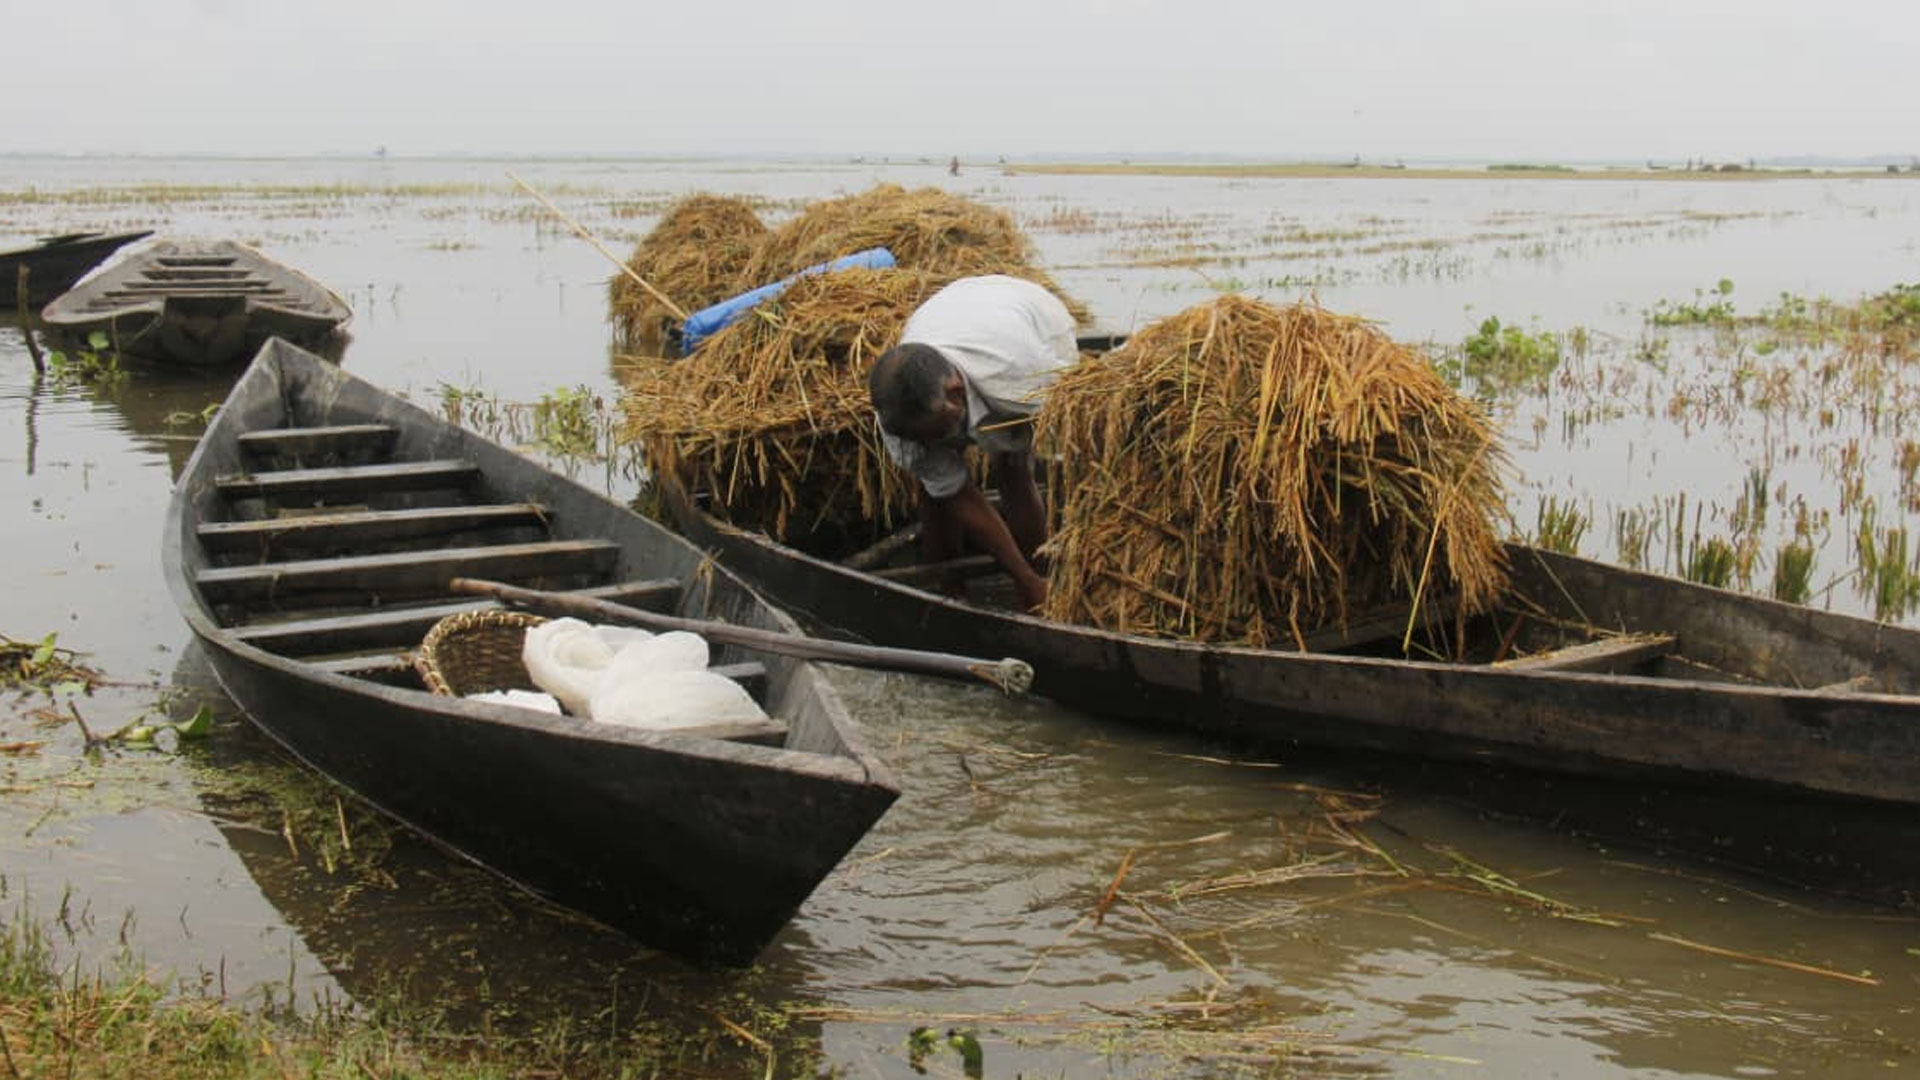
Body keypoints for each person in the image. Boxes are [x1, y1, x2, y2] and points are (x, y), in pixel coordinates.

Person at [869, 275, 1077, 611]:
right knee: (933, 486)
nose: (927, 443)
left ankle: (1039, 576)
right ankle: (951, 589)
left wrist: (1029, 580)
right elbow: (955, 492)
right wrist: (931, 444)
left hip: (1032, 318)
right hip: (949, 311)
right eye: (918, 437)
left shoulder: (1023, 383)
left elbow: (1073, 430)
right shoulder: (895, 414)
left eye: (936, 432)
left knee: (1014, 467)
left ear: (956, 394)